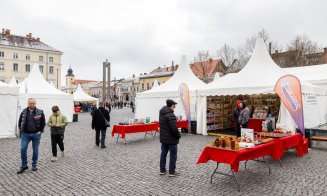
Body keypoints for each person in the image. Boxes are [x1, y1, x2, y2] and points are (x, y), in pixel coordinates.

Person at [17, 98, 45, 174]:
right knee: (23, 149)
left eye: (33, 103)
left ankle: (34, 165)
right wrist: (22, 131)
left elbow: (43, 122)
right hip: (25, 134)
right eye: (30, 103)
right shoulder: (23, 112)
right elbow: (20, 122)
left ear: (35, 103)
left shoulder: (40, 112)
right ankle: (24, 165)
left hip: (36, 134)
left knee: (35, 150)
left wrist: (40, 131)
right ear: (28, 104)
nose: (32, 104)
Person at [159, 99, 181, 177]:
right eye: (174, 106)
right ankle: (171, 171)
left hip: (163, 138)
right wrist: (179, 135)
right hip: (171, 139)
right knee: (173, 155)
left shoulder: (161, 113)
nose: (175, 107)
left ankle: (162, 170)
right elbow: (174, 128)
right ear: (172, 105)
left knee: (163, 154)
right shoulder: (171, 115)